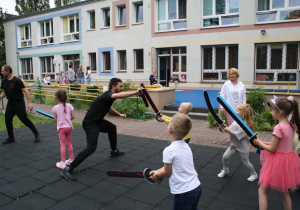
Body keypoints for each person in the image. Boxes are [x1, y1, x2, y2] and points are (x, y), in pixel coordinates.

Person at [60, 78, 144, 181]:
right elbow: (118, 96)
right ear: (113, 87)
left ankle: (114, 150)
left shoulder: (108, 97)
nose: (122, 88)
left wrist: (119, 114)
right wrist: (136, 92)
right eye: (120, 86)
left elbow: (108, 107)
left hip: (98, 121)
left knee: (112, 128)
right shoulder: (107, 94)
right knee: (91, 148)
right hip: (90, 124)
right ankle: (68, 169)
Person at [253, 96, 300, 210]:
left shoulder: (279, 128)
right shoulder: (291, 125)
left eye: (272, 111)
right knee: (284, 193)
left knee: (262, 191)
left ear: (279, 112)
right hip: (288, 161)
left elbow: (273, 149)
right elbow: (280, 144)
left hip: (277, 163)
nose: (271, 113)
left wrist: (259, 142)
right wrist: (263, 142)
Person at [150, 113, 202, 210]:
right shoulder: (186, 146)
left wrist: (157, 176)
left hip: (184, 192)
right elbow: (173, 166)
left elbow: (167, 172)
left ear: (169, 130)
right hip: (196, 187)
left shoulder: (169, 150)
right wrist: (157, 171)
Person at [0, 65, 41, 144]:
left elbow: (26, 91)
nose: (1, 72)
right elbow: (4, 93)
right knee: (7, 119)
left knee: (24, 119)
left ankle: (36, 133)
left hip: (19, 103)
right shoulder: (4, 81)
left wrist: (29, 103)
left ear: (7, 71)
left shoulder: (17, 80)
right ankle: (11, 137)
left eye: (2, 71)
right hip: (10, 103)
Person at [217, 104, 258, 182]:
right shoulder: (236, 121)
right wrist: (224, 127)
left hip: (242, 146)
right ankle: (225, 170)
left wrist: (228, 130)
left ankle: (254, 174)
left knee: (246, 162)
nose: (235, 111)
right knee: (225, 157)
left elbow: (237, 134)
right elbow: (230, 129)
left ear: (243, 114)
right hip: (234, 145)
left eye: (238, 110)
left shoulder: (246, 126)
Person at [220, 68, 246, 143]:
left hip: (239, 108)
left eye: (233, 74)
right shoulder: (226, 84)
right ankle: (230, 138)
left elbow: (244, 96)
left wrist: (244, 106)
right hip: (229, 107)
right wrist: (222, 107)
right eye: (230, 74)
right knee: (231, 123)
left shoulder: (241, 84)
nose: (232, 75)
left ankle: (237, 136)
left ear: (236, 75)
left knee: (239, 123)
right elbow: (222, 95)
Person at [52, 89, 75, 169]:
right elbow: (72, 117)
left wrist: (60, 119)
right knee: (69, 143)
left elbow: (55, 119)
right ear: (66, 97)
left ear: (57, 98)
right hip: (69, 127)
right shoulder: (69, 106)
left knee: (62, 144)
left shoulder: (55, 108)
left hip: (62, 128)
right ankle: (71, 159)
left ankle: (62, 162)